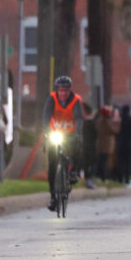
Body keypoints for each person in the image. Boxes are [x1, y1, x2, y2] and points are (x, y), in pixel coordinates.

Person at [43, 76, 84, 211]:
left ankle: (73, 171)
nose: (63, 93)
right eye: (61, 90)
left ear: (69, 91)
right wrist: (46, 132)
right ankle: (53, 197)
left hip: (71, 132)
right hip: (55, 132)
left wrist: (78, 133)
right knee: (52, 165)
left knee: (78, 146)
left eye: (66, 91)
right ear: (57, 91)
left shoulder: (75, 101)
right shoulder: (52, 99)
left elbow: (78, 118)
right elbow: (46, 116)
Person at [96, 106, 119, 182]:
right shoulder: (105, 122)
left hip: (101, 144)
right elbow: (113, 130)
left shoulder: (100, 121)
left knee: (102, 160)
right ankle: (103, 176)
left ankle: (101, 175)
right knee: (104, 162)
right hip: (106, 145)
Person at [116, 105, 131, 184]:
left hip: (121, 143)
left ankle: (120, 178)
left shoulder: (120, 119)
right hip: (129, 143)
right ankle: (127, 178)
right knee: (128, 162)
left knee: (121, 162)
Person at [81, 103, 98, 189]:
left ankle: (89, 179)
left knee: (90, 163)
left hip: (89, 145)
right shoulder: (89, 122)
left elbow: (95, 134)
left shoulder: (89, 122)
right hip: (87, 145)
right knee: (88, 163)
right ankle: (88, 179)